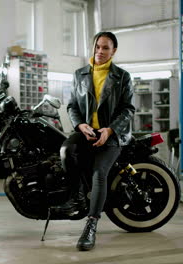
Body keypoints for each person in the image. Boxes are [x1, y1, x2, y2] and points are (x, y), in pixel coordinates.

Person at [58, 32, 135, 251]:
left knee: (99, 173)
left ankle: (91, 224)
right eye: (97, 47)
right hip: (86, 131)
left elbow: (128, 109)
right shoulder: (79, 74)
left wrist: (109, 130)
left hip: (111, 134)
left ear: (114, 51)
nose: (100, 52)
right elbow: (72, 105)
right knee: (66, 151)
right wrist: (80, 125)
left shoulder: (122, 77)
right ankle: (77, 196)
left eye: (105, 48)